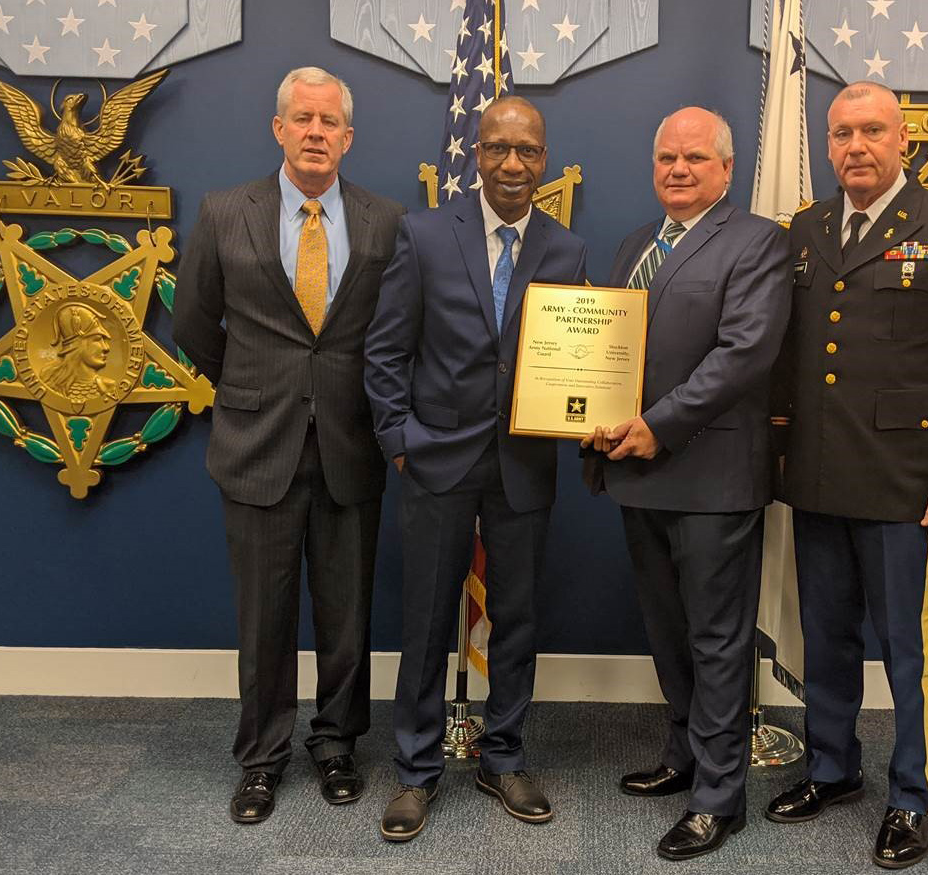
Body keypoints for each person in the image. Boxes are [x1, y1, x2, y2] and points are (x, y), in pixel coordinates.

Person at [767, 80, 928, 869]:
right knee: (825, 639)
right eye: (841, 134)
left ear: (902, 141)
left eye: (871, 131)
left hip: (907, 483)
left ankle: (913, 795)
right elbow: (792, 357)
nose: (855, 147)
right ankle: (832, 767)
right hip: (816, 475)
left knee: (907, 650)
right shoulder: (806, 229)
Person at [172, 66, 404, 824]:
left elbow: (394, 335)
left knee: (346, 615)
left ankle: (336, 743)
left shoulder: (383, 220)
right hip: (255, 445)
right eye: (301, 118)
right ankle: (261, 758)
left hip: (350, 444)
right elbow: (193, 326)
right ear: (278, 129)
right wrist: (253, 387)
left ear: (347, 137)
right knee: (263, 618)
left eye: (328, 120)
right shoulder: (221, 212)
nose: (315, 132)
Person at [364, 96, 588, 842]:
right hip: (436, 458)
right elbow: (386, 347)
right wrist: (398, 436)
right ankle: (416, 771)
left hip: (524, 464)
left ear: (544, 158)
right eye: (497, 149)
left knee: (517, 618)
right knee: (427, 619)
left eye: (526, 151)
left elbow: (577, 360)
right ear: (475, 154)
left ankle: (504, 755)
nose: (512, 165)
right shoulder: (424, 233)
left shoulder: (566, 250)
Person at [583, 106, 791, 861]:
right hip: (637, 473)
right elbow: (606, 352)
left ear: (727, 169)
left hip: (709, 477)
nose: (677, 169)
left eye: (694, 158)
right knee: (667, 629)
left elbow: (742, 355)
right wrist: (589, 414)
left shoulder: (756, 242)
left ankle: (718, 796)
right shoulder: (636, 243)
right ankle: (684, 755)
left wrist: (656, 424)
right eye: (665, 156)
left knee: (715, 638)